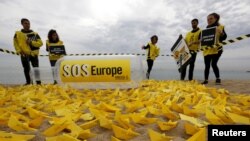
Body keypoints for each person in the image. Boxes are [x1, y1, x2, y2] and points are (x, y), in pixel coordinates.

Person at [13, 18, 43, 85]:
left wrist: (31, 42)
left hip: (34, 54)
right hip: (24, 54)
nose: (27, 25)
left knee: (36, 68)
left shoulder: (35, 34)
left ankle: (38, 83)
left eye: (28, 23)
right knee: (26, 69)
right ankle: (28, 82)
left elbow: (40, 43)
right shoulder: (17, 33)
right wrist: (19, 51)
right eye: (26, 23)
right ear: (22, 24)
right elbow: (15, 43)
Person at [202, 13, 227, 84]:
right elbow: (201, 39)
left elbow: (224, 37)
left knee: (213, 64)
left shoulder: (220, 27)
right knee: (206, 65)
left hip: (217, 50)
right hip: (207, 50)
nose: (209, 20)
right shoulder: (205, 30)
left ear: (216, 19)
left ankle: (218, 78)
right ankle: (206, 80)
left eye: (211, 18)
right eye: (207, 19)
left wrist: (221, 33)